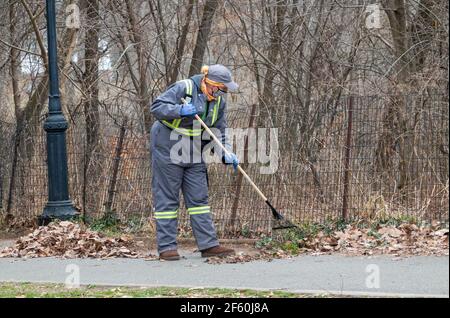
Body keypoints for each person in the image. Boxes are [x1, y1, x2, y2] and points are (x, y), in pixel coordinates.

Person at [150, 64, 240, 261]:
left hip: (194, 149)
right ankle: (167, 248)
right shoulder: (184, 88)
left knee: (199, 199)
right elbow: (156, 107)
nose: (222, 94)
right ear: (211, 84)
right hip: (167, 144)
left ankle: (208, 245)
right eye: (222, 89)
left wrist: (226, 152)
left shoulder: (218, 103)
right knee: (168, 197)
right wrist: (179, 110)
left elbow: (219, 131)